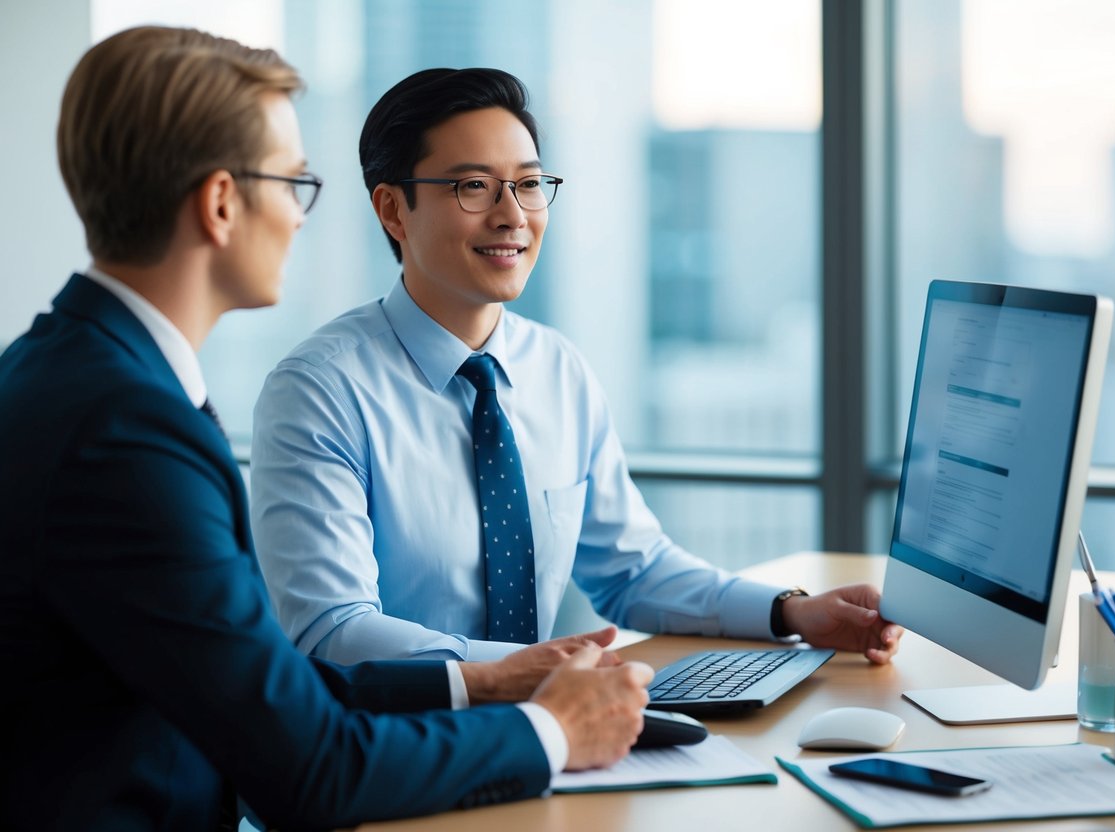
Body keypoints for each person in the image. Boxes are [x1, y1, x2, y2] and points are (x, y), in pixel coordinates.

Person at [0, 29, 652, 832]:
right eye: (294, 181)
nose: (304, 216)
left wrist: (486, 683)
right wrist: (554, 731)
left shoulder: (64, 370)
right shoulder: (126, 430)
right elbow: (310, 771)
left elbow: (254, 681)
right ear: (220, 203)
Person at [250, 67, 902, 672]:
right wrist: (523, 673)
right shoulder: (319, 391)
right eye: (473, 186)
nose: (512, 215)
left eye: (529, 184)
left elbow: (633, 572)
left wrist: (789, 612)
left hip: (547, 731)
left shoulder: (556, 370)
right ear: (393, 209)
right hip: (395, 754)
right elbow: (332, 630)